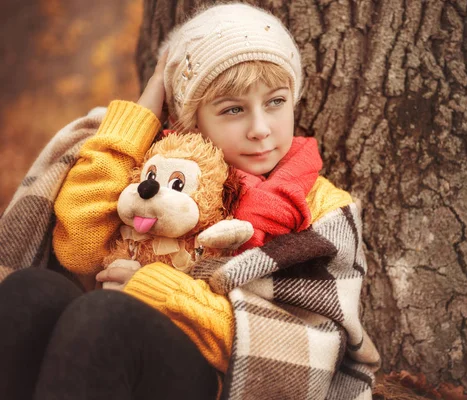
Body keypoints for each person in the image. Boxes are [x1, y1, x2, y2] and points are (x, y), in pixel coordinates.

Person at [0, 3, 379, 400]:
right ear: (192, 120)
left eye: (276, 101)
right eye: (233, 109)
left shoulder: (321, 204)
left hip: (218, 381)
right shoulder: (157, 173)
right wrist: (138, 121)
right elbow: (78, 250)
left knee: (104, 316)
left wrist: (161, 291)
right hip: (112, 361)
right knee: (31, 292)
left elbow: (309, 347)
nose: (261, 129)